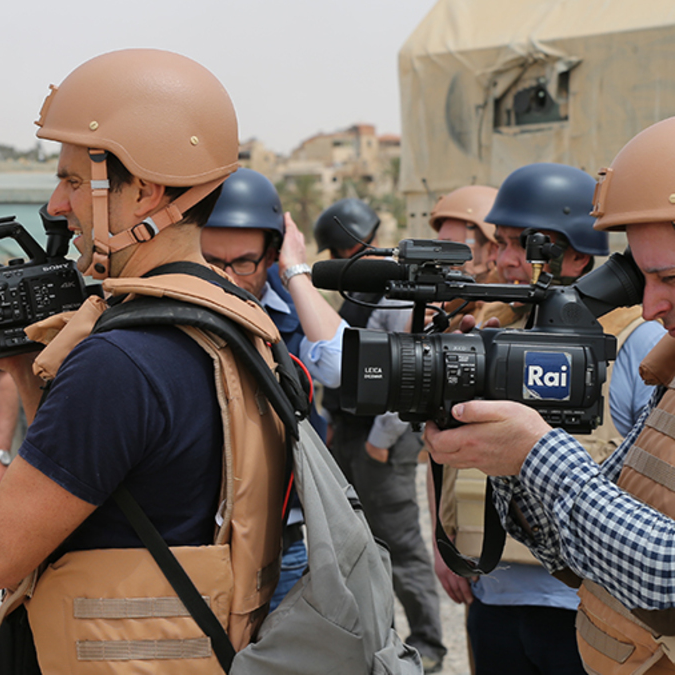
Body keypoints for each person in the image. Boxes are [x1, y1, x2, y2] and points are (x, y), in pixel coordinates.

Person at [0, 49, 288, 673]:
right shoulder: (235, 319)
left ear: (146, 193)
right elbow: (122, 482)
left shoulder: (121, 361)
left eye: (73, 181)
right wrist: (23, 370)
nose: (55, 205)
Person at [426, 121, 675, 675]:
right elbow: (573, 548)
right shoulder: (671, 370)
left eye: (671, 279)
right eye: (643, 278)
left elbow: (668, 573)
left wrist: (537, 453)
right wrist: (505, 463)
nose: (654, 305)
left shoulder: (640, 346)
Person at [199, 168, 347, 606]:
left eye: (243, 262)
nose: (226, 278)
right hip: (197, 550)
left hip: (282, 545)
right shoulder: (169, 310)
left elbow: (338, 367)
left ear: (271, 255)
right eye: (211, 261)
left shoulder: (289, 319)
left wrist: (297, 273)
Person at [314, 197, 448, 671]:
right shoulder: (362, 290)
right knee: (358, 549)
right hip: (350, 433)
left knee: (400, 544)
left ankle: (429, 644)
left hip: (380, 442)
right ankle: (380, 643)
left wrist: (380, 441)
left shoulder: (395, 291)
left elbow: (407, 373)